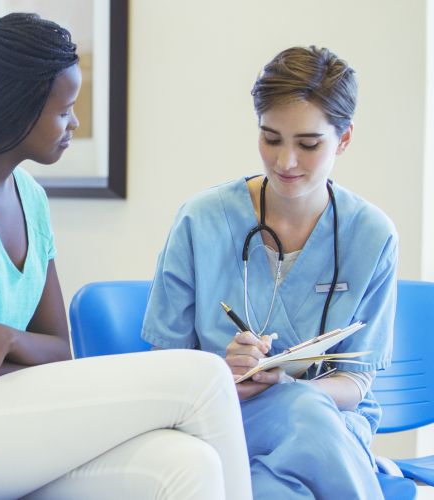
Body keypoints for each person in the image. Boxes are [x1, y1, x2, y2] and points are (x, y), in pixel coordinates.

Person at [0, 13, 252, 499]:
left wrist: (1, 339)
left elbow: (59, 350)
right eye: (65, 111)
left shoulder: (30, 198)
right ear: (16, 110)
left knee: (187, 463)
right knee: (204, 376)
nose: (74, 123)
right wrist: (9, 357)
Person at [142, 46, 396, 499]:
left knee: (277, 481)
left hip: (331, 422)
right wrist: (223, 375)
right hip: (222, 419)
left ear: (345, 139)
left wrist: (284, 382)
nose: (285, 163)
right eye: (271, 138)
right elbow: (166, 369)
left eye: (308, 144)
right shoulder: (200, 221)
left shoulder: (372, 235)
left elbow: (355, 383)